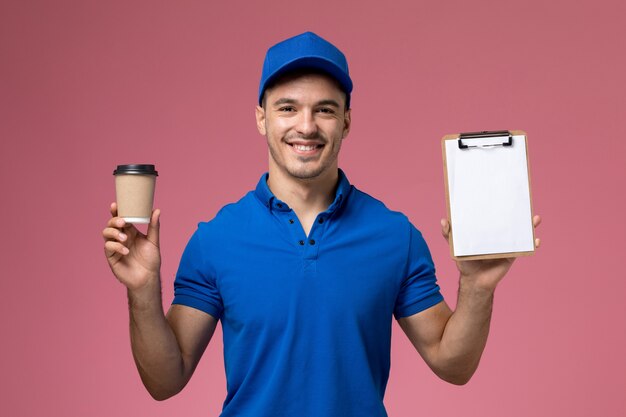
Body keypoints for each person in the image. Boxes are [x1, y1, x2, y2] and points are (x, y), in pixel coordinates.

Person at [102, 31, 541, 417]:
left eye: (325, 110)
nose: (306, 126)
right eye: (288, 108)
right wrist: (142, 291)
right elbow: (165, 380)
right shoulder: (216, 239)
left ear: (346, 121)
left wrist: (478, 287)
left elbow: (453, 363)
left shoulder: (394, 236)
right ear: (261, 118)